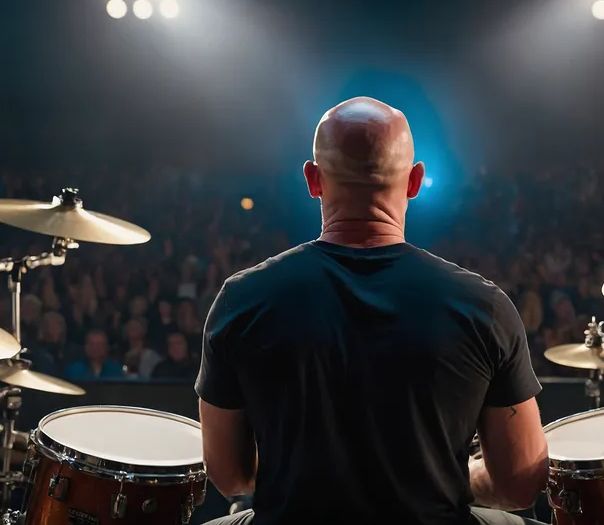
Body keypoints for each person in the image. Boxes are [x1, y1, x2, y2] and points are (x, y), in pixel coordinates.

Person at [196, 97, 549, 525]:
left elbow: (230, 477)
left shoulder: (242, 301)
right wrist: (461, 475)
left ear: (313, 179)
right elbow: (519, 485)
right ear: (415, 180)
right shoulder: (482, 306)